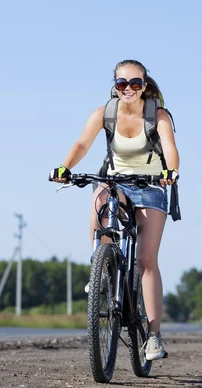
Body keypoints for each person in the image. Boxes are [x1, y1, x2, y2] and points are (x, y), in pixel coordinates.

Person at [50, 59, 179, 360]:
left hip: (150, 186)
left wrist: (170, 171)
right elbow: (82, 144)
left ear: (144, 85)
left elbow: (171, 150)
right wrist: (64, 167)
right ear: (115, 86)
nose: (129, 89)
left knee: (147, 259)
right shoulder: (105, 113)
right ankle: (102, 271)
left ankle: (154, 337)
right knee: (99, 202)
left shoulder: (157, 116)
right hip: (116, 180)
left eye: (135, 83)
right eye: (122, 84)